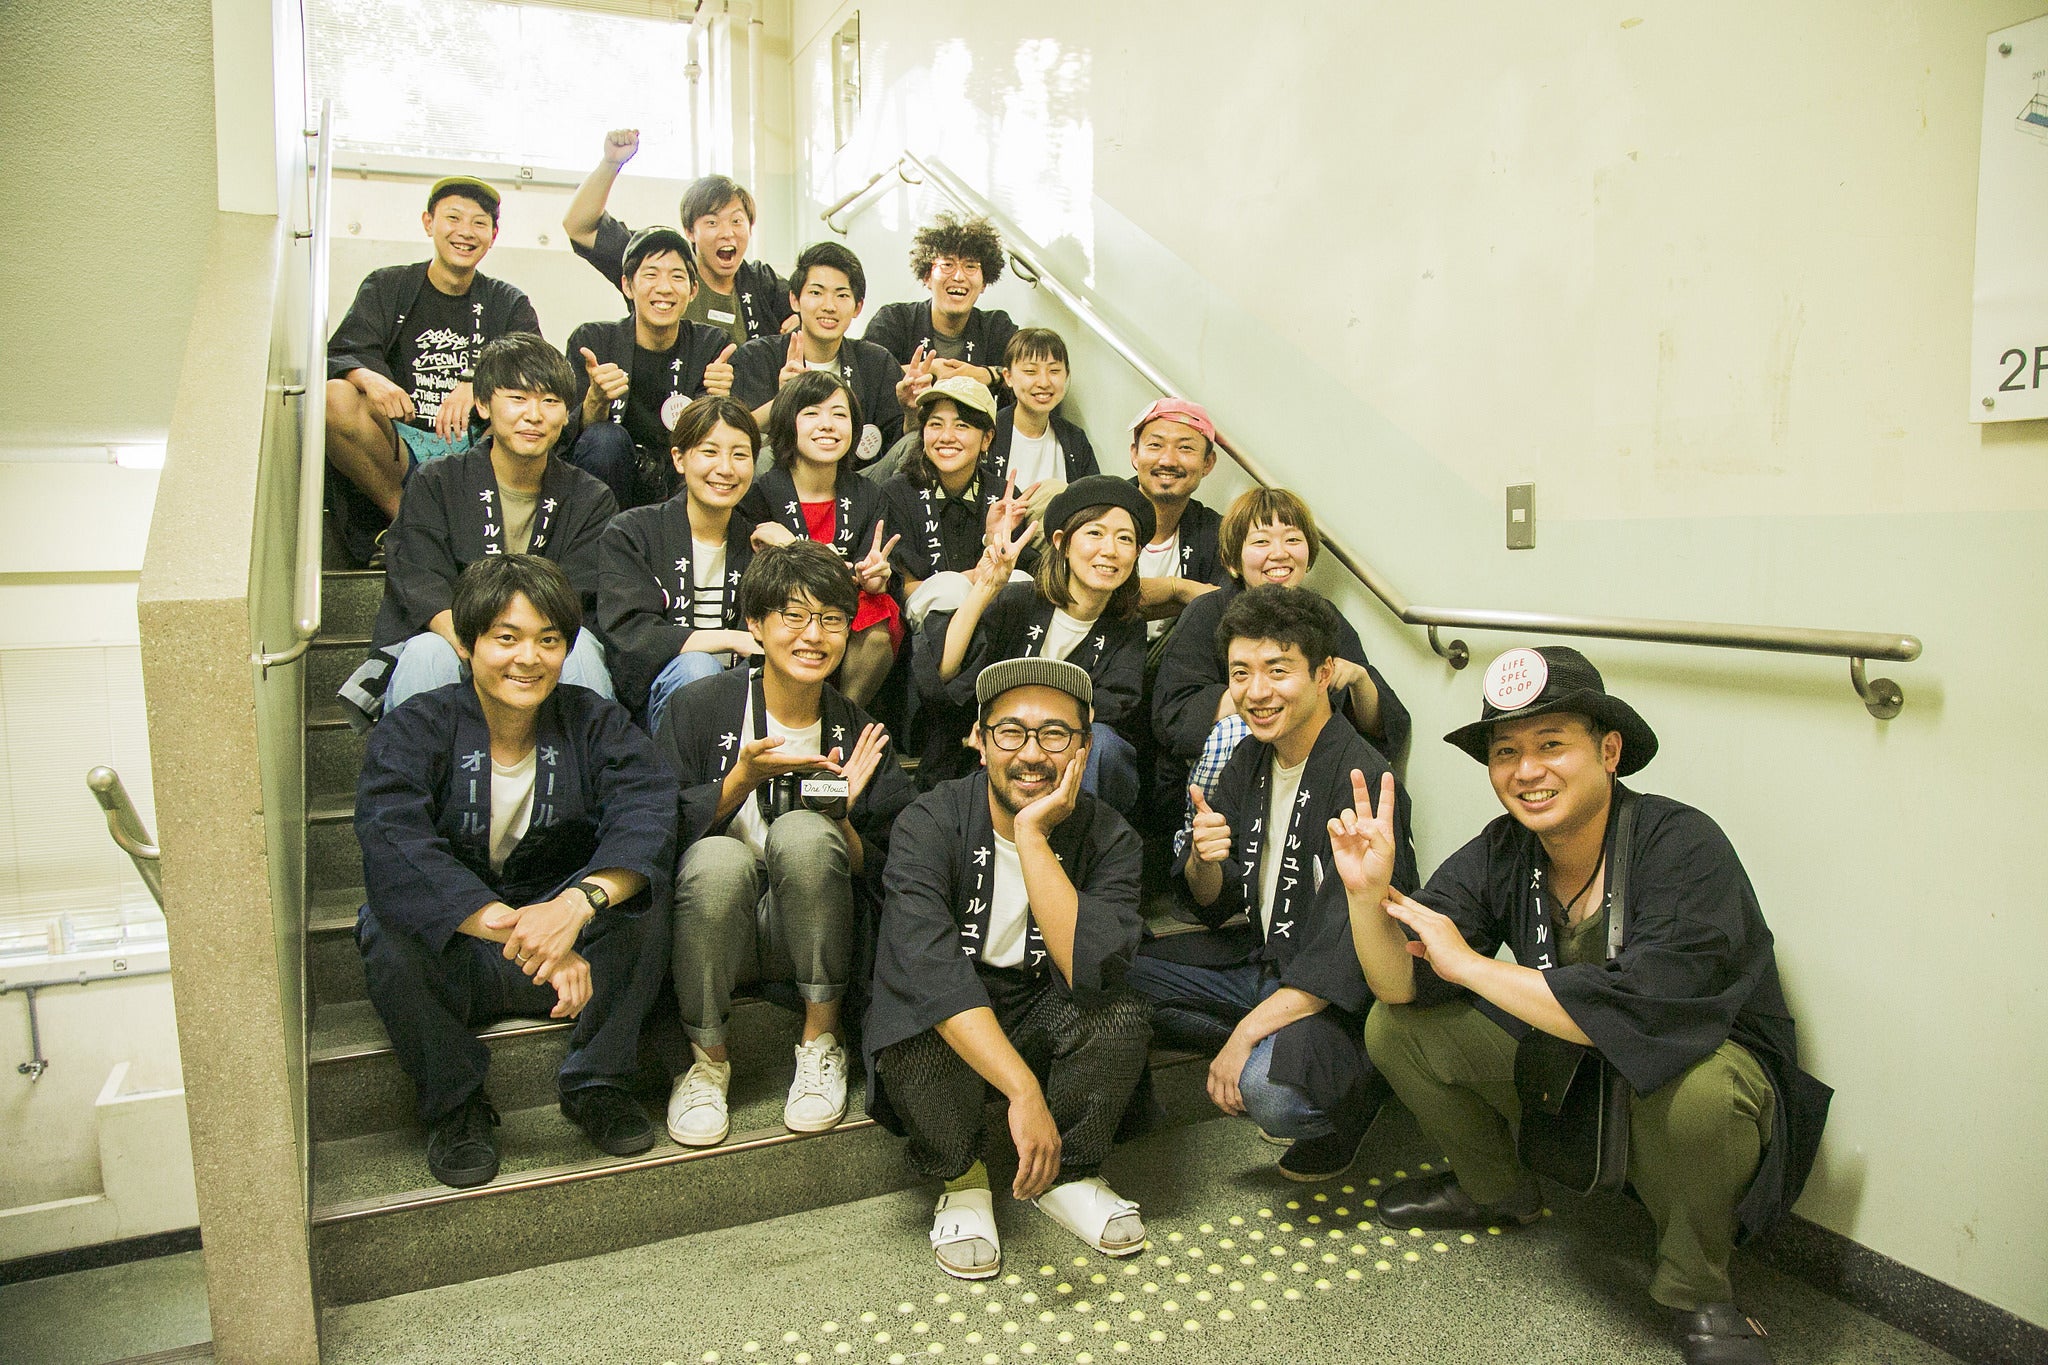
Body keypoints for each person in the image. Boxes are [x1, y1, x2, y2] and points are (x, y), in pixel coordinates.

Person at [1330, 646, 1831, 1365]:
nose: (1527, 770)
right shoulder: (1506, 848)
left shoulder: (1682, 843)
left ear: (1609, 752)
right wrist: (1365, 896)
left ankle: (1699, 1289)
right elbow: (1397, 984)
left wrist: (1470, 965)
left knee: (1704, 1093)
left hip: (1686, 1070)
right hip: (1578, 1063)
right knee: (1396, 1027)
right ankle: (1496, 1190)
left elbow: (1645, 1015)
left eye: (1551, 745)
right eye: (1506, 752)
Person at [354, 555, 676, 1188]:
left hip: (566, 931)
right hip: (466, 945)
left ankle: (599, 1081)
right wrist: (530, 934)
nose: (528, 658)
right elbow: (396, 844)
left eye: (548, 640)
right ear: (469, 644)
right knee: (387, 931)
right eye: (507, 638)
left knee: (645, 900)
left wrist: (574, 908)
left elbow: (647, 814)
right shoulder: (415, 728)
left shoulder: (596, 721)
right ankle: (456, 1106)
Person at [865, 658, 1152, 1280]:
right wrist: (1024, 1091)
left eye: (1055, 734)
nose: (1032, 753)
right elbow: (929, 974)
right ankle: (962, 1177)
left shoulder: (1110, 836)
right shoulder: (928, 823)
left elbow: (1087, 970)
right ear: (978, 738)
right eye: (1011, 732)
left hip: (1043, 1000)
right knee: (909, 1028)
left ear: (1084, 746)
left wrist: (1031, 836)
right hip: (957, 1006)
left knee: (1121, 1014)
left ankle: (1071, 1174)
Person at [1126, 587, 1418, 1181]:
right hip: (1265, 964)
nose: (1256, 692)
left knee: (1271, 1093)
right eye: (1241, 673)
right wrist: (1203, 860)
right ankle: (1269, 1038)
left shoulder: (1360, 779)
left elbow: (1344, 959)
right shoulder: (1252, 759)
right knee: (1115, 970)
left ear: (1323, 673)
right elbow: (1216, 901)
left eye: (1278, 670)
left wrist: (1242, 1039)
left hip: (1335, 994)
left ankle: (1360, 1093)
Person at [652, 540, 917, 1148]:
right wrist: (739, 781)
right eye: (794, 616)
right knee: (716, 856)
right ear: (755, 624)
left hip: (812, 938)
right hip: (713, 929)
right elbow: (650, 831)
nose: (813, 635)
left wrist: (840, 819)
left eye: (831, 619)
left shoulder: (858, 731)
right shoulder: (699, 707)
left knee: (805, 831)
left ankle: (821, 1040)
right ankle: (706, 1061)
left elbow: (885, 871)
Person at [338, 334, 618, 730]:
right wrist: (483, 647)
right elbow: (419, 578)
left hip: (543, 640)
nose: (534, 415)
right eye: (517, 398)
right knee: (426, 654)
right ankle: (414, 768)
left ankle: (587, 766)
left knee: (582, 651)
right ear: (484, 405)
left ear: (565, 413)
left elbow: (579, 593)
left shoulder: (590, 497)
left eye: (550, 401)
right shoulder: (437, 482)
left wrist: (520, 644)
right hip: (457, 637)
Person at [325, 176, 541, 566]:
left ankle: (450, 532)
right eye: (453, 218)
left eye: (479, 223)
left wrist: (476, 383)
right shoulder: (388, 285)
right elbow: (343, 351)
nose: (465, 232)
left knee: (530, 413)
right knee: (334, 397)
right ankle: (409, 523)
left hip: (478, 447)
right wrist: (370, 379)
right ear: (429, 223)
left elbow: (533, 366)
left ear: (493, 236)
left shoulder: (508, 302)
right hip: (400, 442)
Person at [1153, 486, 1410, 807]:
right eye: (1261, 542)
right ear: (1233, 560)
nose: (1279, 553)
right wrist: (1275, 697)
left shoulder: (1322, 615)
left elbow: (1380, 729)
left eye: (1292, 540)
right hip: (1213, 784)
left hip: (1307, 782)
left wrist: (1358, 679)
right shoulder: (1207, 612)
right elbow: (1173, 716)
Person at [914, 476, 1149, 804]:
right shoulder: (1018, 601)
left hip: (1063, 761)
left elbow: (1115, 704)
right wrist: (987, 587)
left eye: (1124, 539)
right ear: (1061, 543)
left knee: (1104, 743)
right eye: (1095, 533)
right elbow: (945, 673)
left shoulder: (1128, 628)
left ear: (1137, 552)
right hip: (986, 754)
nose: (1109, 550)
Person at [595, 397, 762, 733]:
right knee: (697, 669)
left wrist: (789, 548)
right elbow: (632, 635)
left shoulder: (759, 541)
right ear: (679, 458)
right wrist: (731, 639)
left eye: (740, 455)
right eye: (710, 452)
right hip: (655, 703)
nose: (726, 468)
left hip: (744, 702)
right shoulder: (632, 532)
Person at [738, 371, 902, 706]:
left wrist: (877, 579)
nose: (827, 425)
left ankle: (843, 717)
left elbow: (866, 569)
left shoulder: (869, 495)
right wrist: (834, 565)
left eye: (839, 415)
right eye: (812, 413)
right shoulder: (761, 494)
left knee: (878, 609)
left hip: (844, 613)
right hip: (785, 611)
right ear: (788, 423)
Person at [563, 226, 739, 511]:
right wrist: (595, 401)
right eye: (651, 274)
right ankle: (600, 536)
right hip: (613, 477)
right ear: (627, 285)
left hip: (677, 479)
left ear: (693, 290)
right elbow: (569, 439)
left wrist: (720, 401)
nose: (664, 288)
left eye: (677, 276)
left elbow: (713, 438)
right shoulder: (593, 342)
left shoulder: (711, 345)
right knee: (604, 439)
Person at [563, 129, 791, 344]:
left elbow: (806, 300)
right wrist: (611, 163)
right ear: (690, 231)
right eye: (712, 222)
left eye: (736, 221)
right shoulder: (657, 258)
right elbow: (580, 227)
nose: (727, 233)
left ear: (750, 228)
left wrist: (800, 321)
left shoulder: (762, 283)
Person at [877, 376, 1035, 629]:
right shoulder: (898, 492)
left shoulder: (1001, 494)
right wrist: (972, 578)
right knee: (950, 589)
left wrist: (992, 541)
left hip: (990, 623)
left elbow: (1014, 573)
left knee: (1020, 582)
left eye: (961, 426)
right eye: (935, 424)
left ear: (987, 438)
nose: (946, 436)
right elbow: (901, 588)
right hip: (927, 629)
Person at [730, 241, 904, 458]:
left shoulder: (876, 361)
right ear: (794, 300)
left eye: (842, 295)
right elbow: (734, 435)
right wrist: (784, 399)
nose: (829, 306)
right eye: (816, 293)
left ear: (857, 307)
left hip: (857, 476)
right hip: (782, 474)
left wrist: (912, 412)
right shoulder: (757, 356)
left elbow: (896, 440)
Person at [864, 212, 1018, 411]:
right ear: (927, 277)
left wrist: (986, 374)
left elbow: (1026, 373)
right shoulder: (893, 320)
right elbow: (865, 373)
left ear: (984, 283)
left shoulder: (996, 327)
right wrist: (930, 369)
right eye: (947, 265)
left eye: (970, 266)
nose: (958, 276)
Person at [1126, 398, 1230, 638]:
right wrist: (1178, 589)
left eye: (1185, 448)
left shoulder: (1217, 533)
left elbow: (1228, 605)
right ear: (1135, 455)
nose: (1168, 460)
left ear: (1208, 463)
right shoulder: (1099, 512)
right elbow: (1092, 596)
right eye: (1155, 445)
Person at [984, 328, 1098, 492]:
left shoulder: (1075, 439)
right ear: (1008, 377)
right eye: (1030, 371)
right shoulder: (989, 433)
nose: (1044, 382)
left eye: (1054, 371)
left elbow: (1093, 499)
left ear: (1066, 375)